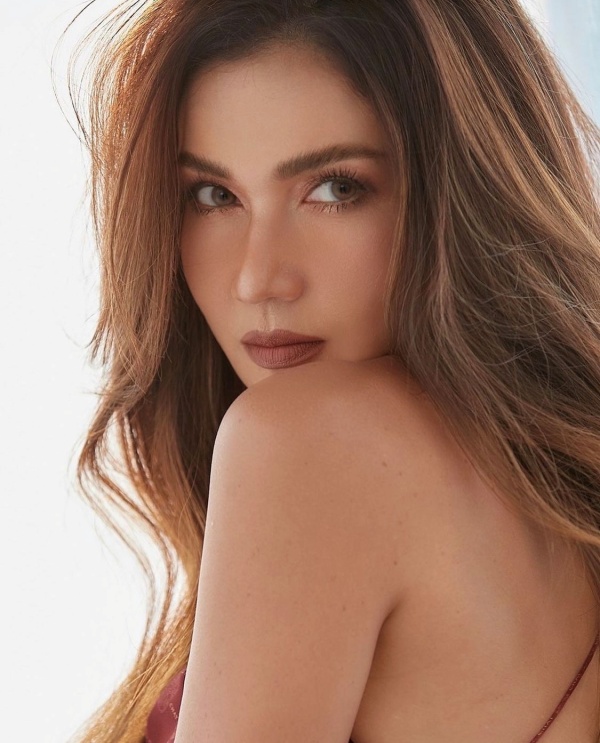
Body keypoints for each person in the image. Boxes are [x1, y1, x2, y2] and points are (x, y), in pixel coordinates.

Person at [66, 0, 600, 741]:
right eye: (214, 196)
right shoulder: (550, 497)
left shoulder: (308, 441)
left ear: (465, 189)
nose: (258, 278)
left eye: (336, 189)